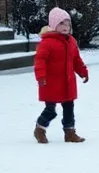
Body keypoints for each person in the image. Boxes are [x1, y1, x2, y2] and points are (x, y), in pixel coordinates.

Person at [33, 8, 90, 143]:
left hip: (67, 82)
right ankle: (40, 128)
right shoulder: (47, 43)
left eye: (68, 24)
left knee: (69, 108)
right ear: (53, 25)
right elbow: (40, 60)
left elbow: (76, 59)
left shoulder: (71, 42)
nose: (65, 27)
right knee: (50, 109)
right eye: (61, 24)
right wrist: (41, 76)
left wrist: (83, 71)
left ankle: (69, 132)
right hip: (50, 83)